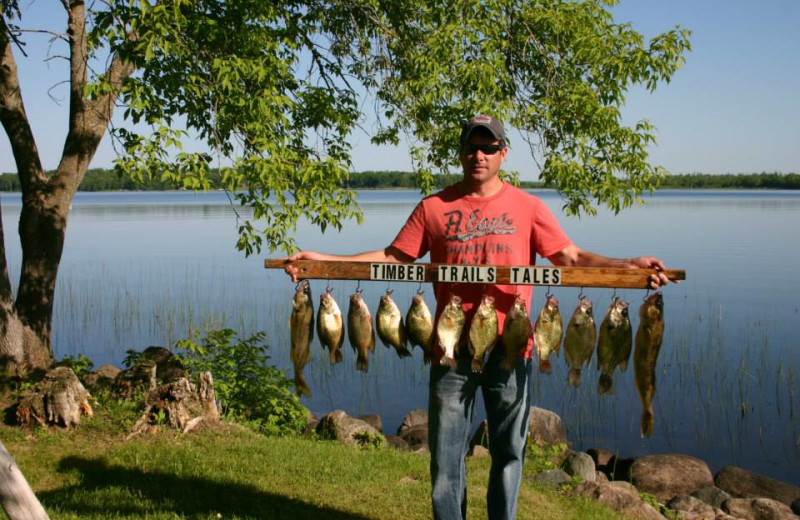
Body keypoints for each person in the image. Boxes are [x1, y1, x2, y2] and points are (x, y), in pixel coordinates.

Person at [285, 115, 675, 520]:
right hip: (451, 351)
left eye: (489, 148)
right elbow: (392, 257)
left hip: (512, 349)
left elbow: (571, 258)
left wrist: (627, 264)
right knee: (446, 457)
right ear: (460, 152)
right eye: (472, 147)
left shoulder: (528, 207)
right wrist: (325, 261)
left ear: (503, 153)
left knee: (508, 453)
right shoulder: (433, 207)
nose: (479, 155)